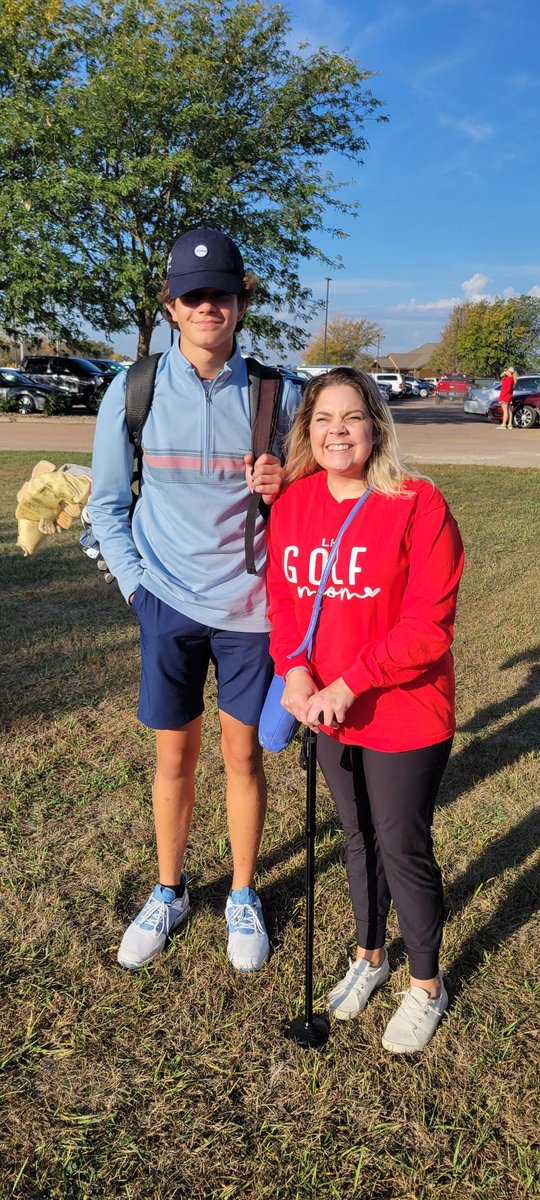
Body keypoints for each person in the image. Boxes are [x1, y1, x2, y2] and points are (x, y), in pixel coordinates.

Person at [89, 227, 301, 973]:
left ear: (243, 302)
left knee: (243, 757)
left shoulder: (281, 393)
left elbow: (328, 501)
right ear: (171, 306)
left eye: (222, 293)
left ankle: (242, 893)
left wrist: (290, 487)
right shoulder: (135, 387)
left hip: (253, 613)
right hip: (167, 604)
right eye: (192, 294)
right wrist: (136, 589)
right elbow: (109, 505)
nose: (208, 306)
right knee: (172, 760)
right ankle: (171, 889)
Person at [265, 367, 464, 1053]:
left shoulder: (418, 503)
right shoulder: (293, 502)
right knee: (357, 840)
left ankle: (426, 985)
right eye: (323, 419)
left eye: (351, 417)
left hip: (402, 710)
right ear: (307, 429)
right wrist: (293, 670)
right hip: (324, 708)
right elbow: (287, 603)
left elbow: (428, 626)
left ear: (377, 424)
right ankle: (371, 955)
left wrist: (348, 685)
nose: (337, 431)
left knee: (402, 845)